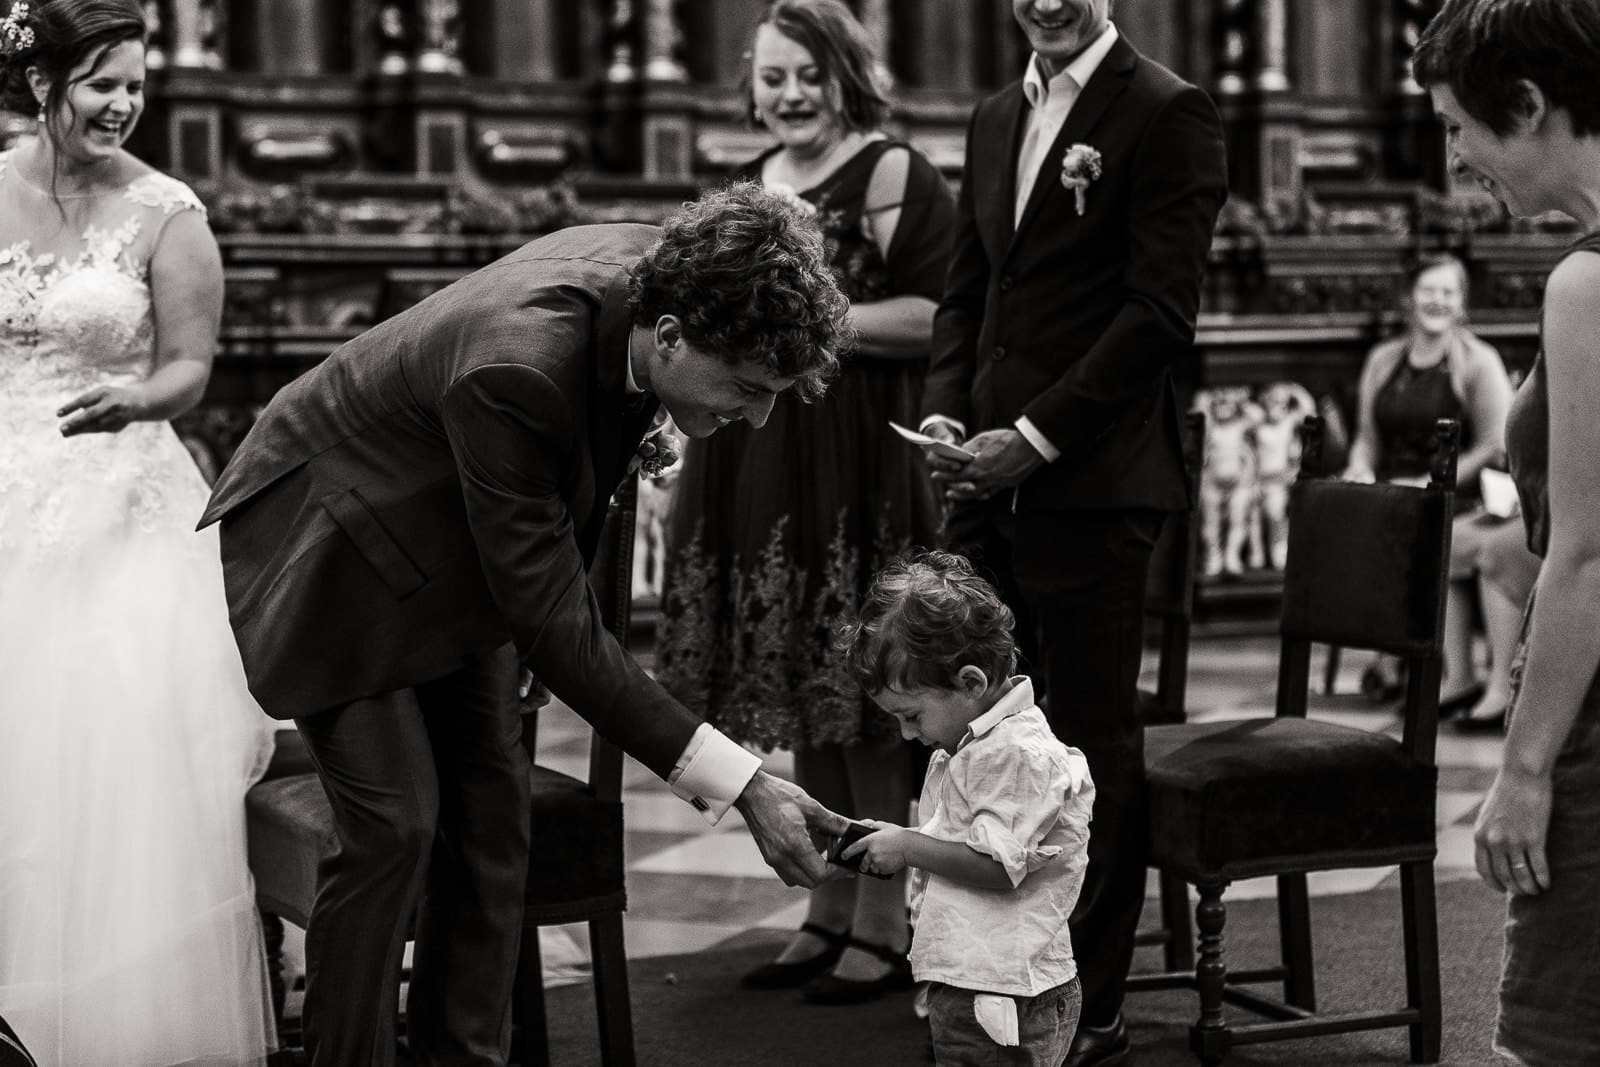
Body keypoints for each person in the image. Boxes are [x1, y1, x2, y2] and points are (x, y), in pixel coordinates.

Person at [198, 181, 855, 1067]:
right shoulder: (519, 366)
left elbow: (570, 477)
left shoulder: (671, 275)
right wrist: (746, 785)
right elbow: (555, 620)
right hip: (332, 546)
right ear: (669, 337)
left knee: (494, 822)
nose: (760, 414)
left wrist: (551, 611)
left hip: (452, 544)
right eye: (746, 387)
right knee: (396, 827)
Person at [914, 2, 1228, 1062]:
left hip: (1094, 482)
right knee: (978, 739)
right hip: (985, 483)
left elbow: (1158, 314)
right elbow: (970, 291)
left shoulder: (1168, 112)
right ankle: (989, 975)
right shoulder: (994, 114)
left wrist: (1037, 437)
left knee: (1086, 747)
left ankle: (1086, 1003)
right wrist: (950, 412)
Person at [655, 0, 953, 1004]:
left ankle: (887, 916)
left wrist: (810, 327)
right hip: (763, 456)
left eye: (807, 75)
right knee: (806, 692)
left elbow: (939, 313)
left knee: (867, 697)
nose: (789, 94)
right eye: (772, 76)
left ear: (845, 76)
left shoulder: (892, 172)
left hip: (856, 461)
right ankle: (828, 902)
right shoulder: (755, 182)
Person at [0, 1, 277, 1063]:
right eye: (103, 83)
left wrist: (136, 401)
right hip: (10, 481)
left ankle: (112, 1011)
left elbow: (189, 368)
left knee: (104, 747)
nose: (124, 104)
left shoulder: (168, 211)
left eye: (136, 85)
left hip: (122, 497)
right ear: (44, 83)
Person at [1415, 1, 1600, 1063]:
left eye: (1456, 124)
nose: (1453, 158)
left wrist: (1523, 769)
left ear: (1527, 104)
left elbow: (1589, 555)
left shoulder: (1589, 282)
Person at [836, 550, 1095, 1066]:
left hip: (1004, 992)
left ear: (971, 683)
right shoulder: (976, 745)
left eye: (911, 715)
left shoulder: (1014, 755)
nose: (906, 733)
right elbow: (958, 839)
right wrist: (893, 838)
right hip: (978, 978)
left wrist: (907, 846)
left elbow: (998, 867)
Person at [1341, 253, 1520, 717]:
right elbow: (1367, 437)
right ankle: (1395, 652)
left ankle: (1432, 667)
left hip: (1460, 494)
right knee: (1351, 515)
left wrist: (1431, 481)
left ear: (1462, 302)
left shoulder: (1478, 361)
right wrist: (1359, 467)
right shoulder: (1383, 360)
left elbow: (1493, 446)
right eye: (1428, 290)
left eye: (1448, 292)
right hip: (1393, 488)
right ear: (1409, 297)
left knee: (1426, 530)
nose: (1437, 301)